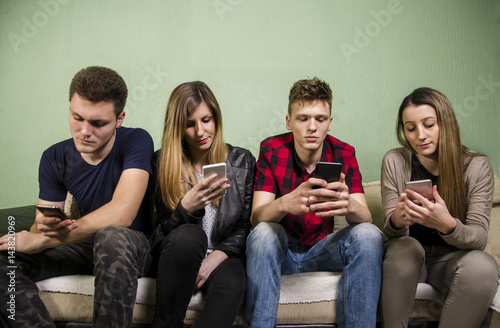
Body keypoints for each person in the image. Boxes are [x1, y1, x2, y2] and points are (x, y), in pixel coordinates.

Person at [0, 66, 155, 328]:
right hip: (81, 249)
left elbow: (122, 213)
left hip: (131, 248)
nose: (84, 131)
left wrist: (42, 241)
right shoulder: (54, 157)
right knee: (7, 257)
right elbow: (43, 223)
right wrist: (42, 228)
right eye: (77, 118)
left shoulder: (136, 140)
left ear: (119, 119)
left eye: (98, 123)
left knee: (112, 235)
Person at [244, 77, 384, 328]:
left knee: (368, 234)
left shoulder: (344, 153)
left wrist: (349, 205)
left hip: (322, 251)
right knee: (264, 232)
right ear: (289, 121)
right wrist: (286, 203)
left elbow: (365, 218)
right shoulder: (271, 150)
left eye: (320, 119)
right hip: (282, 251)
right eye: (303, 118)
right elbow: (256, 217)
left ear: (329, 123)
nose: (312, 127)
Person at [380, 87, 499, 327]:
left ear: (446, 123)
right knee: (404, 247)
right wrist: (397, 220)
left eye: (429, 125)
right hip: (412, 260)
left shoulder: (476, 166)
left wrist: (448, 225)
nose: (420, 135)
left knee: (483, 266)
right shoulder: (394, 161)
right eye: (411, 128)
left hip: (451, 262)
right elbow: (390, 236)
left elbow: (478, 239)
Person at [150, 81, 255, 328]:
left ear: (216, 119)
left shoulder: (242, 161)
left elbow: (243, 228)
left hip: (222, 256)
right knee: (189, 234)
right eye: (189, 124)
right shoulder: (161, 162)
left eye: (206, 120)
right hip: (178, 254)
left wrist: (213, 260)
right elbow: (159, 233)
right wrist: (187, 208)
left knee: (233, 280)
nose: (200, 131)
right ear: (177, 127)